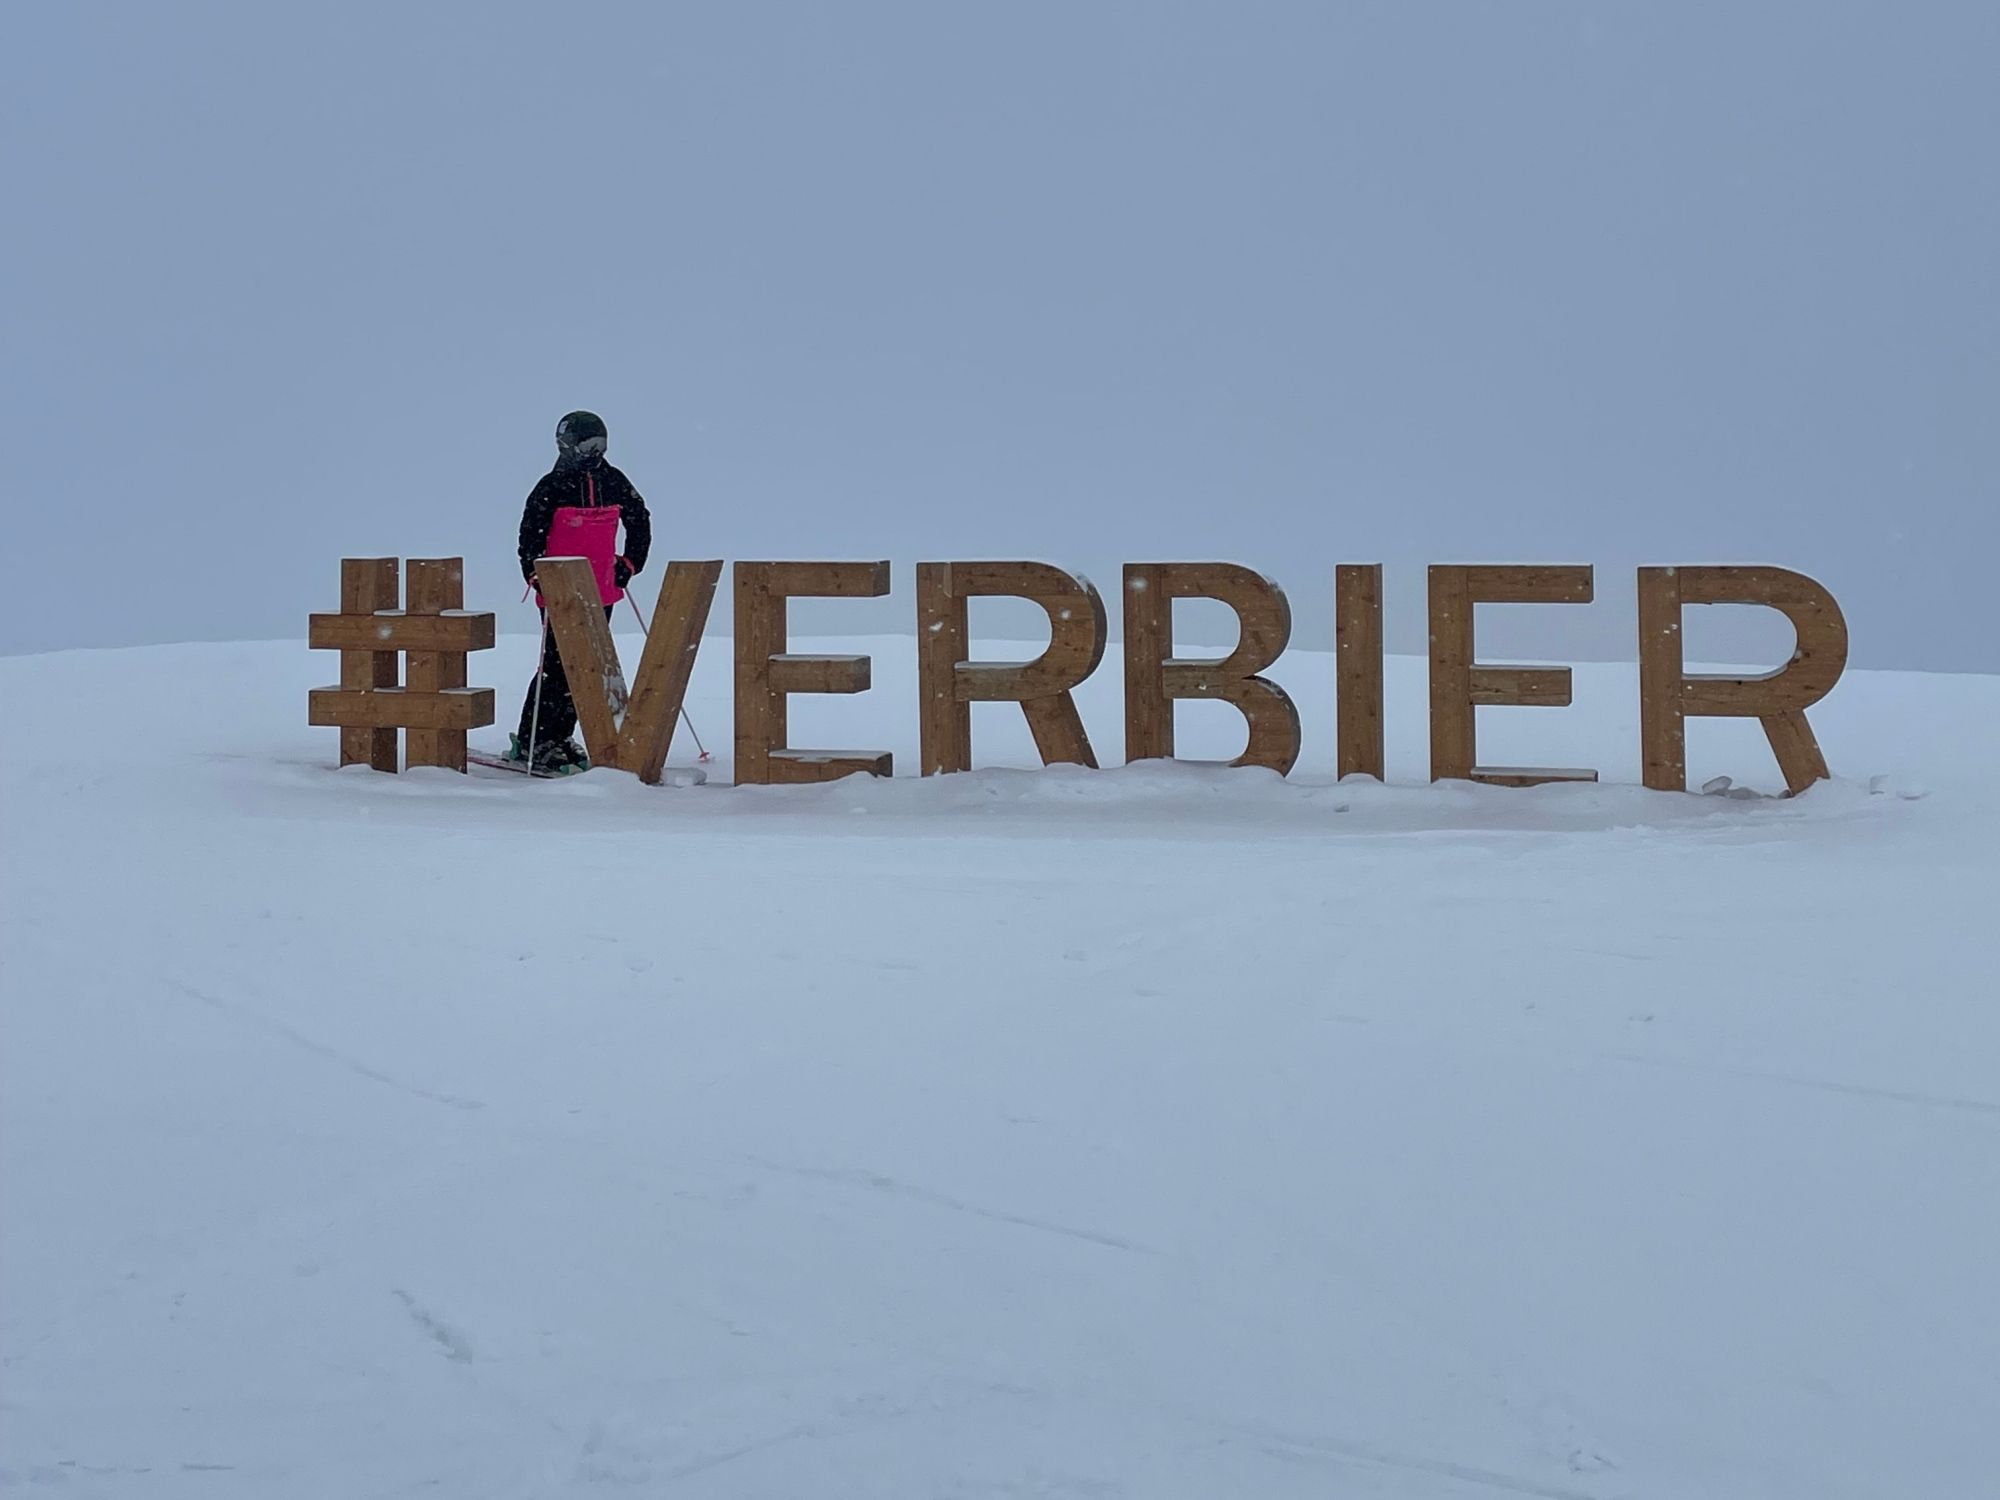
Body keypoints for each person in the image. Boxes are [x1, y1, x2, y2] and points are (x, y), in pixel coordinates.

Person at [508, 410, 652, 773]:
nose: (595, 453)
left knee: (589, 667)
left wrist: (630, 563)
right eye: (587, 445)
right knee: (557, 667)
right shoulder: (550, 487)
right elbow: (529, 537)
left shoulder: (613, 480)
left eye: (600, 444)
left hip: (601, 589)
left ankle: (561, 736)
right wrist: (536, 575)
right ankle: (536, 741)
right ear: (567, 446)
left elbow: (639, 519)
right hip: (561, 592)